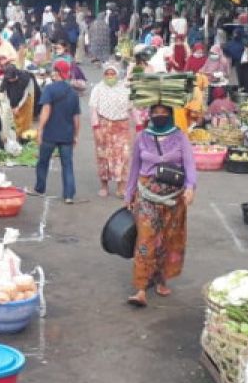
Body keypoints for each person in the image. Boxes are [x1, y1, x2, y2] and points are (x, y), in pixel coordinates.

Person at [124, 104, 197, 307]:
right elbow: (134, 167)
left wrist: (190, 187)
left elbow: (190, 164)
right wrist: (129, 193)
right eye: (155, 113)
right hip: (147, 195)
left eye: (164, 113)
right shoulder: (142, 137)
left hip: (174, 197)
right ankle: (140, 287)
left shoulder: (180, 137)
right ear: (150, 115)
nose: (159, 116)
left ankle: (161, 278)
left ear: (171, 115)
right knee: (146, 239)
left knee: (169, 238)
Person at [32, 59, 81, 204]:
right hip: (67, 134)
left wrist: (40, 129)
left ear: (57, 72)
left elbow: (46, 110)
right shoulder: (73, 93)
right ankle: (69, 195)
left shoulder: (49, 89)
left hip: (50, 134)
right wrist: (76, 135)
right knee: (67, 164)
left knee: (43, 162)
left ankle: (40, 188)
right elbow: (76, 117)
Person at [88, 63, 133, 198]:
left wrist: (140, 126)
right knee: (103, 156)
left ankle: (121, 187)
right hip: (104, 126)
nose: (110, 76)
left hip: (122, 127)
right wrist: (96, 128)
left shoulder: (125, 89)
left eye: (112, 74)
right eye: (107, 74)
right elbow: (93, 110)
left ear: (117, 74)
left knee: (123, 156)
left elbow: (133, 108)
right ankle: (104, 185)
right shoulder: (98, 89)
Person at [1, 64, 37, 137]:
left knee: (25, 121)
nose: (11, 81)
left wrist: (19, 106)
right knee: (16, 120)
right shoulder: (6, 80)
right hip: (13, 100)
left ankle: (25, 138)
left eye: (12, 79)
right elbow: (6, 94)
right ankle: (17, 136)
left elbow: (26, 94)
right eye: (9, 79)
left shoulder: (26, 79)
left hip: (26, 100)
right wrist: (11, 106)